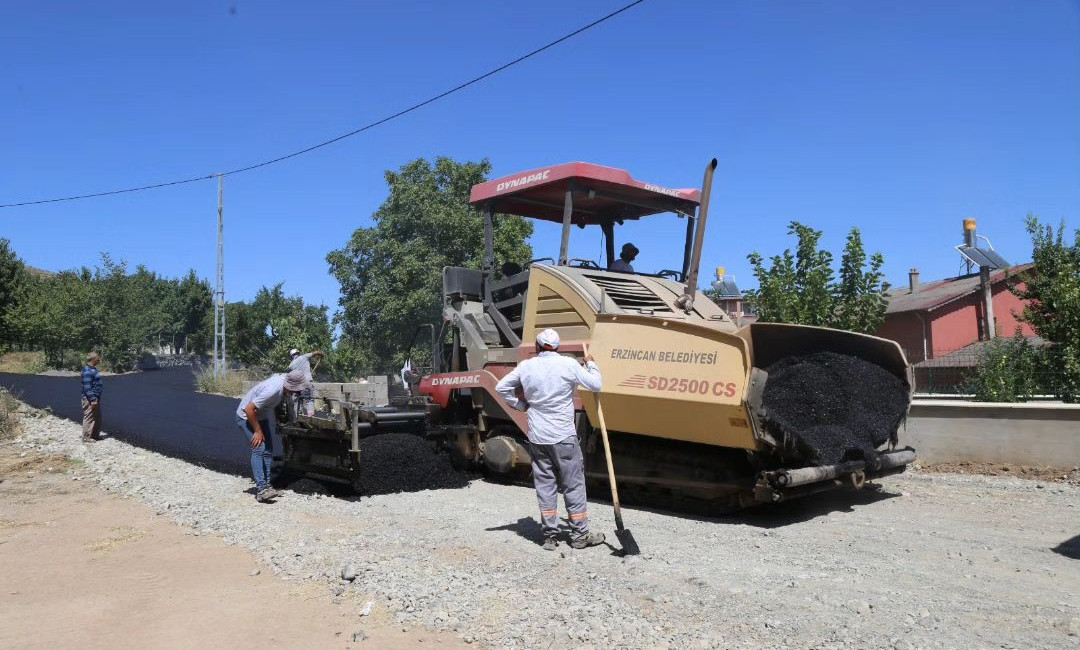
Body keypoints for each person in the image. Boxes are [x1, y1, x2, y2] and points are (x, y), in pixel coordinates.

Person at [495, 328, 605, 551]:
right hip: (563, 436)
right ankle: (579, 536)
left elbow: (501, 387)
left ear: (537, 346)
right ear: (557, 347)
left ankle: (550, 537)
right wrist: (591, 364)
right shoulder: (568, 364)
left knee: (546, 485)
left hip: (538, 437)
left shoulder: (526, 366)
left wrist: (520, 405)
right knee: (573, 485)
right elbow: (596, 384)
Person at [235, 369, 307, 502]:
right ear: (290, 386)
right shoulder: (272, 391)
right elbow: (249, 409)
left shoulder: (286, 380)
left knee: (268, 450)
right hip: (246, 417)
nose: (296, 393)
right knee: (259, 448)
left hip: (260, 416)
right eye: (296, 390)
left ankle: (267, 485)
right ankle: (261, 490)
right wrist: (258, 431)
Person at [288, 349, 324, 416]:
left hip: (297, 385)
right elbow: (316, 352)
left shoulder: (290, 365)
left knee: (299, 401)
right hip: (306, 382)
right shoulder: (304, 357)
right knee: (309, 400)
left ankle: (298, 416)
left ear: (291, 356)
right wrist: (321, 354)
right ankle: (310, 416)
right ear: (298, 353)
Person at [80, 351, 104, 442]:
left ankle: (94, 435)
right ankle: (86, 437)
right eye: (98, 358)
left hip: (95, 397)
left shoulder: (93, 369)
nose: (99, 360)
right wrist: (93, 399)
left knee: (97, 417)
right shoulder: (87, 371)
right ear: (93, 359)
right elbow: (87, 387)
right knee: (89, 417)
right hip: (90, 399)